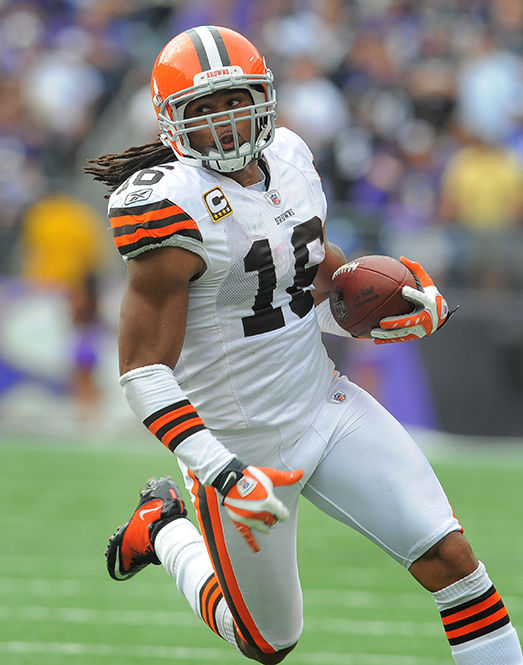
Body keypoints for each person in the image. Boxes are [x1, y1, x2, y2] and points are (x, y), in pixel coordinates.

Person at [85, 26, 523, 665]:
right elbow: (143, 371)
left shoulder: (290, 158)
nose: (227, 125)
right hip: (239, 445)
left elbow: (312, 285)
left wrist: (390, 311)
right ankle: (165, 529)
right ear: (172, 123)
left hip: (324, 403)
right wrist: (219, 469)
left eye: (235, 101)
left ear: (264, 99)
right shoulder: (170, 208)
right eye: (203, 111)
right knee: (268, 642)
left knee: (451, 558)